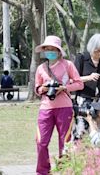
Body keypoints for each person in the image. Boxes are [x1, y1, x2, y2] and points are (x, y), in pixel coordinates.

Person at [34, 35, 84, 175]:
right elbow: (37, 88)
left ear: (59, 50)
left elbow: (79, 84)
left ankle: (65, 170)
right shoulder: (41, 68)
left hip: (64, 108)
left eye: (53, 49)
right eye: (47, 49)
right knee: (41, 142)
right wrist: (42, 89)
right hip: (45, 108)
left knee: (65, 141)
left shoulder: (68, 65)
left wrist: (64, 88)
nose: (49, 51)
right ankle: (43, 171)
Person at [74, 33, 100, 102]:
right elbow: (73, 79)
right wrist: (88, 77)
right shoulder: (81, 58)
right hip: (84, 97)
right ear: (92, 48)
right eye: (97, 51)